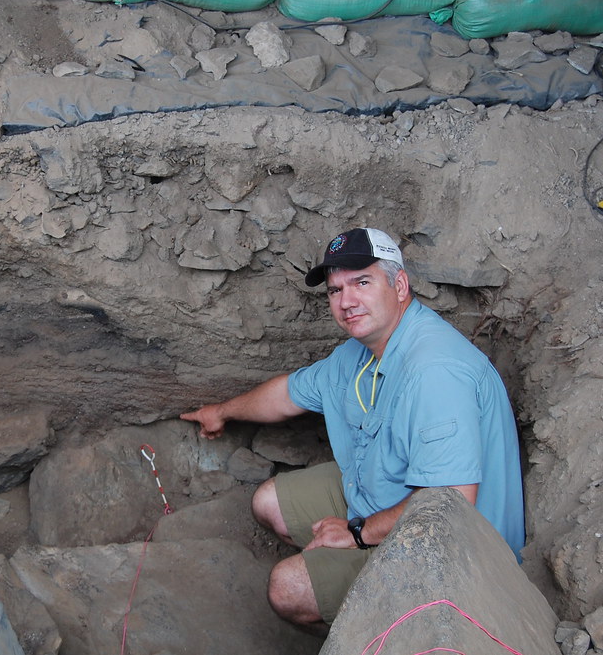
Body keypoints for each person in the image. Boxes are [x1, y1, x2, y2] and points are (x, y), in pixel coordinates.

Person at [180, 227, 525, 630]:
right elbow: (287, 394)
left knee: (287, 588)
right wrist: (222, 412)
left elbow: (448, 501)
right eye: (335, 290)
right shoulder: (359, 353)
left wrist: (356, 533)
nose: (347, 302)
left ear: (399, 285)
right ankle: (344, 572)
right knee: (268, 502)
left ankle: (382, 621)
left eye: (362, 282)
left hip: (448, 549)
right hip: (383, 491)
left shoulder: (435, 371)